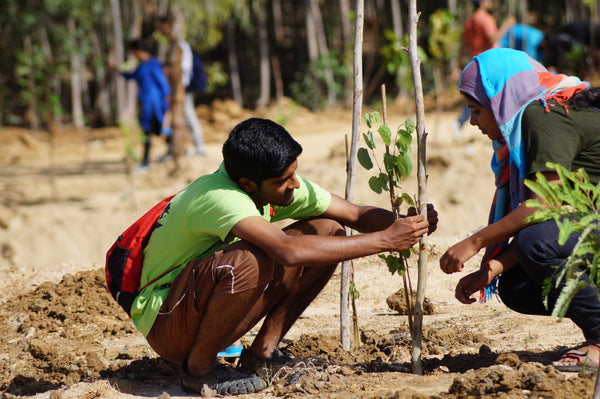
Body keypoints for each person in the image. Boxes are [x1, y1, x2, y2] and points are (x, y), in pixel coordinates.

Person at [129, 117, 438, 395]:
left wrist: (407, 224)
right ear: (249, 184)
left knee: (327, 229)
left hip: (197, 311)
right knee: (251, 260)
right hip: (168, 322)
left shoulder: (272, 182)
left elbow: (354, 214)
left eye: (294, 173)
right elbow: (286, 251)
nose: (294, 184)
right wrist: (386, 240)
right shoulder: (219, 197)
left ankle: (263, 352)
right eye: (283, 180)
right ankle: (198, 371)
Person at [440, 48, 600, 372]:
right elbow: (553, 219)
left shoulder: (543, 115)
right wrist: (492, 269)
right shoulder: (541, 115)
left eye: (475, 110)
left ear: (501, 100)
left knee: (535, 243)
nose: (472, 122)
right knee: (515, 286)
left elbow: (545, 203)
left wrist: (475, 242)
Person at [450, 0, 516, 137]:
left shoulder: (469, 22)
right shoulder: (486, 19)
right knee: (495, 96)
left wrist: (458, 67)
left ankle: (459, 123)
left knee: (477, 98)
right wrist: (507, 24)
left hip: (474, 63)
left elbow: (463, 46)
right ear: (481, 3)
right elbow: (493, 38)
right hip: (489, 64)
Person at [111, 39, 172, 172]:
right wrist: (116, 69)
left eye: (134, 52)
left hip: (155, 106)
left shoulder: (153, 64)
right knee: (149, 132)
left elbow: (163, 84)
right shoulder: (142, 66)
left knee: (155, 131)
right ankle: (147, 161)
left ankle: (172, 153)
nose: (134, 55)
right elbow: (131, 75)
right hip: (146, 104)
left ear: (139, 51)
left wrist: (167, 103)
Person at [159, 14, 206, 158]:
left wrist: (180, 90)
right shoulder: (173, 45)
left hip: (182, 89)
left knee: (189, 115)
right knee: (175, 118)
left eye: (162, 26)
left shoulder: (182, 46)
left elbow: (185, 69)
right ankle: (174, 149)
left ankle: (200, 148)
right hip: (176, 89)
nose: (161, 29)